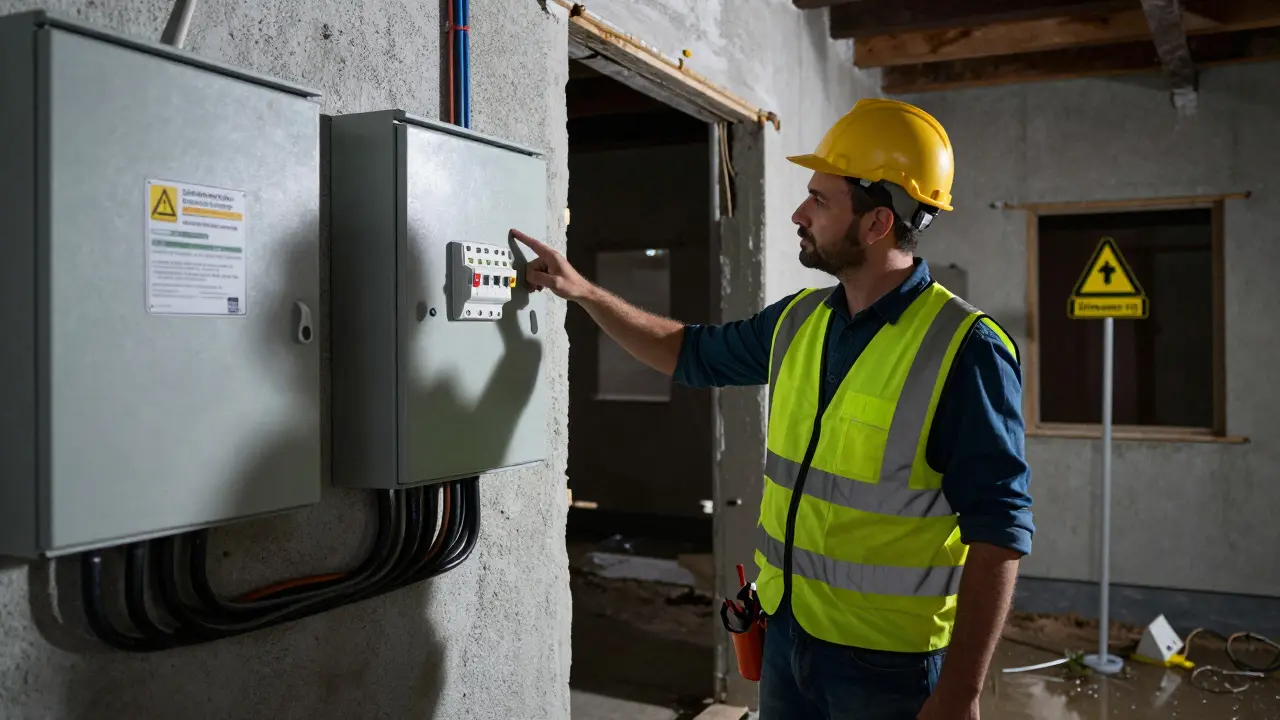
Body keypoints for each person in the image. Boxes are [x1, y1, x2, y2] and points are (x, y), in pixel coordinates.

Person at [514, 98, 1033, 720]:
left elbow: (999, 530)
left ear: (877, 224)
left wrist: (960, 692)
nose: (799, 213)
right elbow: (689, 353)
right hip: (787, 635)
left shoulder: (966, 348)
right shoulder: (798, 321)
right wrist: (584, 292)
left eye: (821, 199)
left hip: (887, 666)